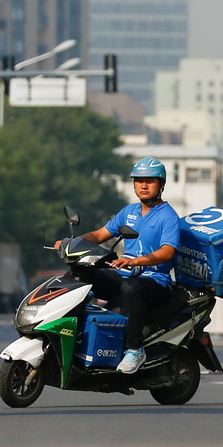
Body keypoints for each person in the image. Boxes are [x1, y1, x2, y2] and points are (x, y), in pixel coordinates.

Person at [58, 157, 180, 374]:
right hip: (124, 275)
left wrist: (135, 261)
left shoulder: (168, 216)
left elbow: (167, 251)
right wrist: (71, 244)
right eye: (139, 180)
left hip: (154, 281)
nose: (143, 185)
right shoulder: (129, 212)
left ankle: (135, 349)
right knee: (80, 273)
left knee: (130, 287)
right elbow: (99, 234)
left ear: (161, 184)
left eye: (150, 181)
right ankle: (65, 330)